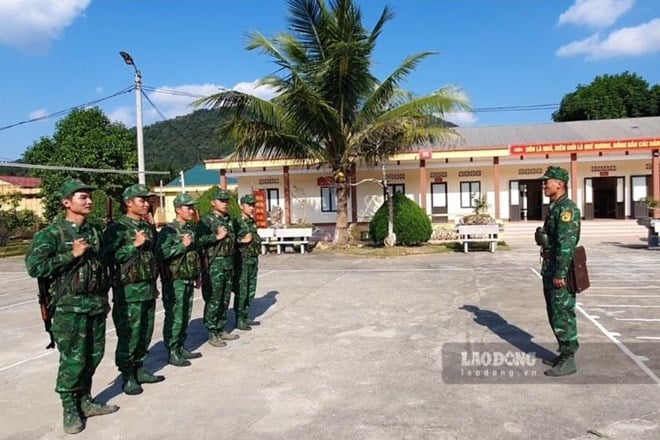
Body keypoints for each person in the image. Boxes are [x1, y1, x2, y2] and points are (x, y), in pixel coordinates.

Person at [25, 179, 118, 434]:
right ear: (67, 202)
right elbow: (35, 267)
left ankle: (85, 401)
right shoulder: (51, 234)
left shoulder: (94, 232)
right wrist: (71, 255)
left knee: (93, 356)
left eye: (89, 197)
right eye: (82, 197)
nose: (89, 201)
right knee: (73, 361)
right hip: (68, 308)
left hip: (95, 305)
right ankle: (69, 408)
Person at [103, 184, 165, 396]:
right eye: (142, 200)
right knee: (130, 334)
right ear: (129, 203)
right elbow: (107, 257)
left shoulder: (147, 226)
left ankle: (139, 367)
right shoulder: (117, 228)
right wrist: (134, 245)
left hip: (147, 287)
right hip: (128, 291)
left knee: (145, 332)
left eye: (147, 200)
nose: (147, 204)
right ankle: (127, 374)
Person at [535, 166, 581, 377]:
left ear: (559, 184)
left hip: (559, 270)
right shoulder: (555, 206)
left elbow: (566, 244)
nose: (544, 185)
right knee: (555, 313)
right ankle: (563, 353)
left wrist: (560, 274)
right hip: (551, 267)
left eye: (548, 181)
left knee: (562, 314)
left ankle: (569, 357)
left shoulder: (566, 209)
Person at [155, 193, 203, 367]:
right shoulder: (168, 231)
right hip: (175, 280)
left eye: (192, 207)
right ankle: (172, 350)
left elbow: (195, 254)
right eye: (188, 207)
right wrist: (181, 245)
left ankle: (180, 346)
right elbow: (160, 253)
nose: (191, 210)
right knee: (175, 316)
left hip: (188, 278)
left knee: (185, 315)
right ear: (177, 209)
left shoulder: (189, 229)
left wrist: (198, 275)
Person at [197, 188, 240, 347]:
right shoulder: (206, 220)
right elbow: (198, 240)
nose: (225, 204)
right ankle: (212, 331)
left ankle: (221, 328)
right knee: (214, 299)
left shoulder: (229, 219)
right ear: (212, 203)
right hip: (214, 264)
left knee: (224, 298)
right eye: (221, 201)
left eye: (227, 201)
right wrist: (216, 237)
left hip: (228, 264)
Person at [233, 194, 262, 331]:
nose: (251, 208)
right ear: (241, 206)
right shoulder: (236, 222)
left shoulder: (251, 222)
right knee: (242, 291)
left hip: (253, 260)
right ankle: (239, 319)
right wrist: (241, 240)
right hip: (242, 261)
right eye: (248, 205)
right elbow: (230, 241)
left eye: (253, 205)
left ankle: (245, 316)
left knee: (251, 290)